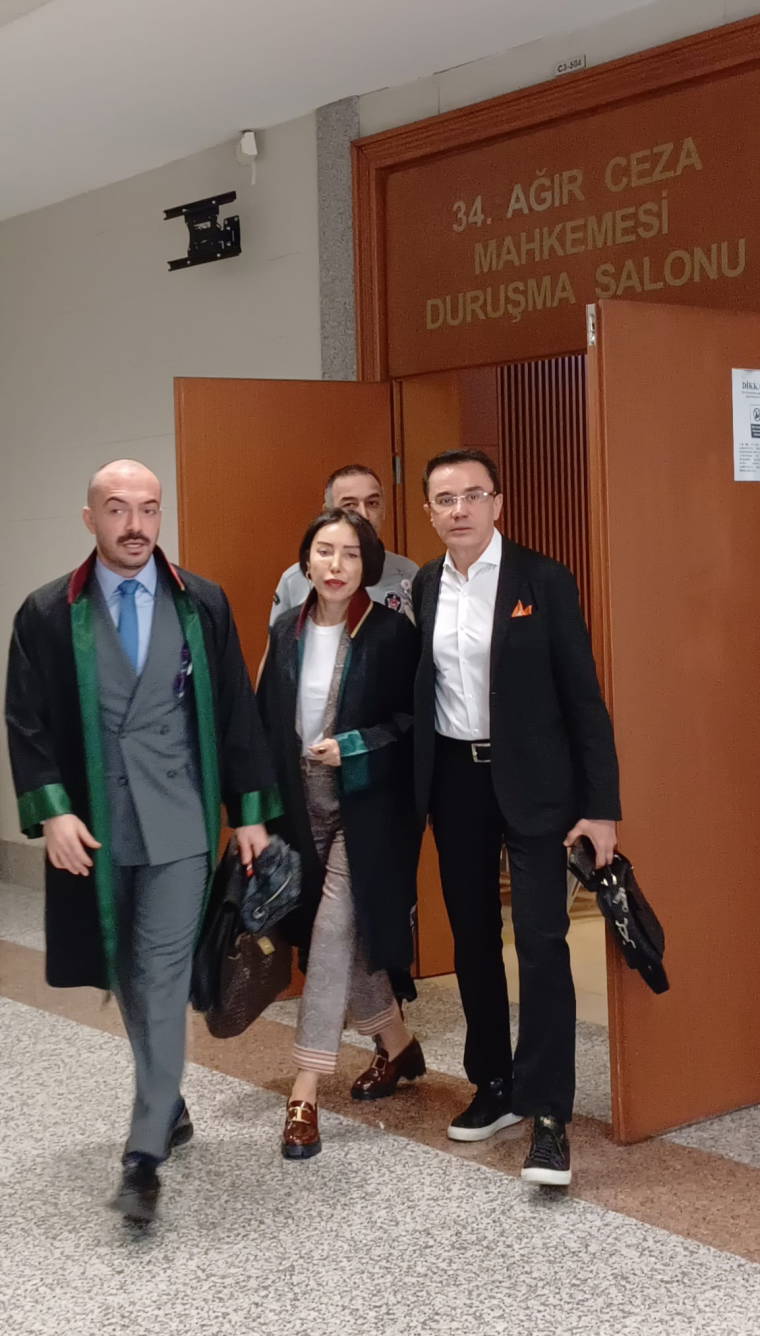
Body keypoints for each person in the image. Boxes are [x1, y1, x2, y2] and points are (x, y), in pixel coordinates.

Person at [4, 459, 279, 1224]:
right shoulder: (48, 613)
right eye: (118, 509)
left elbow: (236, 709)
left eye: (149, 509)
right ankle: (169, 1100)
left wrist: (249, 810)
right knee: (125, 969)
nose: (135, 525)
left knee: (159, 976)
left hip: (180, 825)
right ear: (89, 517)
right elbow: (25, 719)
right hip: (97, 830)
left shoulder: (201, 603)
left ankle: (144, 1152)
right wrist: (53, 813)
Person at [412, 448, 620, 1187]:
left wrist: (601, 808)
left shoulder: (543, 579)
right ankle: (494, 1084)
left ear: (498, 504)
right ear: (430, 511)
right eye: (445, 499)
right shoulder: (425, 586)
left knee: (540, 941)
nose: (460, 510)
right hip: (457, 784)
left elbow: (584, 699)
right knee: (472, 940)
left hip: (538, 785)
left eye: (474, 495)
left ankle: (550, 1114)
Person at [257, 508, 424, 1160]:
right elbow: (267, 722)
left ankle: (305, 1090)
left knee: (331, 932)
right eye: (325, 551)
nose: (336, 565)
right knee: (342, 938)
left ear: (367, 566)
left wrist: (352, 744)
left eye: (350, 554)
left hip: (369, 809)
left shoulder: (389, 632)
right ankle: (399, 1046)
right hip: (303, 806)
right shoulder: (286, 630)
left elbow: (412, 722)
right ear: (306, 562)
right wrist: (255, 815)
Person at [270, 464, 417, 624]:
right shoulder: (293, 580)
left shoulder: (408, 573)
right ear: (328, 513)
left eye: (372, 503)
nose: (364, 515)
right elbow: (280, 637)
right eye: (350, 505)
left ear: (384, 510)